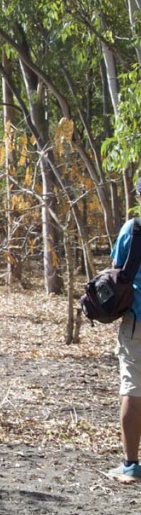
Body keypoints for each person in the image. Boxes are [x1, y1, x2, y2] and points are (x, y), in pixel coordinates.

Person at [110, 178, 141, 480]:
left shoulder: (133, 229)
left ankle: (131, 465)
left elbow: (117, 272)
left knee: (133, 389)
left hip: (136, 322)